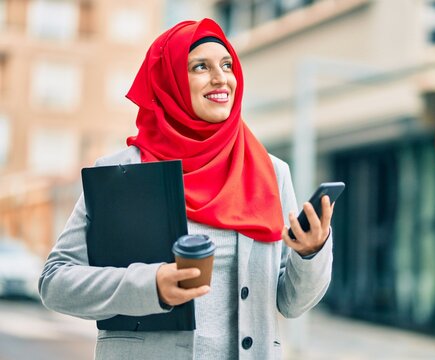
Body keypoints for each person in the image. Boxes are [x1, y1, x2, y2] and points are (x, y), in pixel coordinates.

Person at [39, 18, 333, 360]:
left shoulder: (271, 173)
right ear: (171, 82)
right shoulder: (124, 173)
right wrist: (151, 286)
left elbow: (291, 303)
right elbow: (54, 282)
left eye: (227, 65)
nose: (221, 77)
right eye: (200, 67)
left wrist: (309, 254)